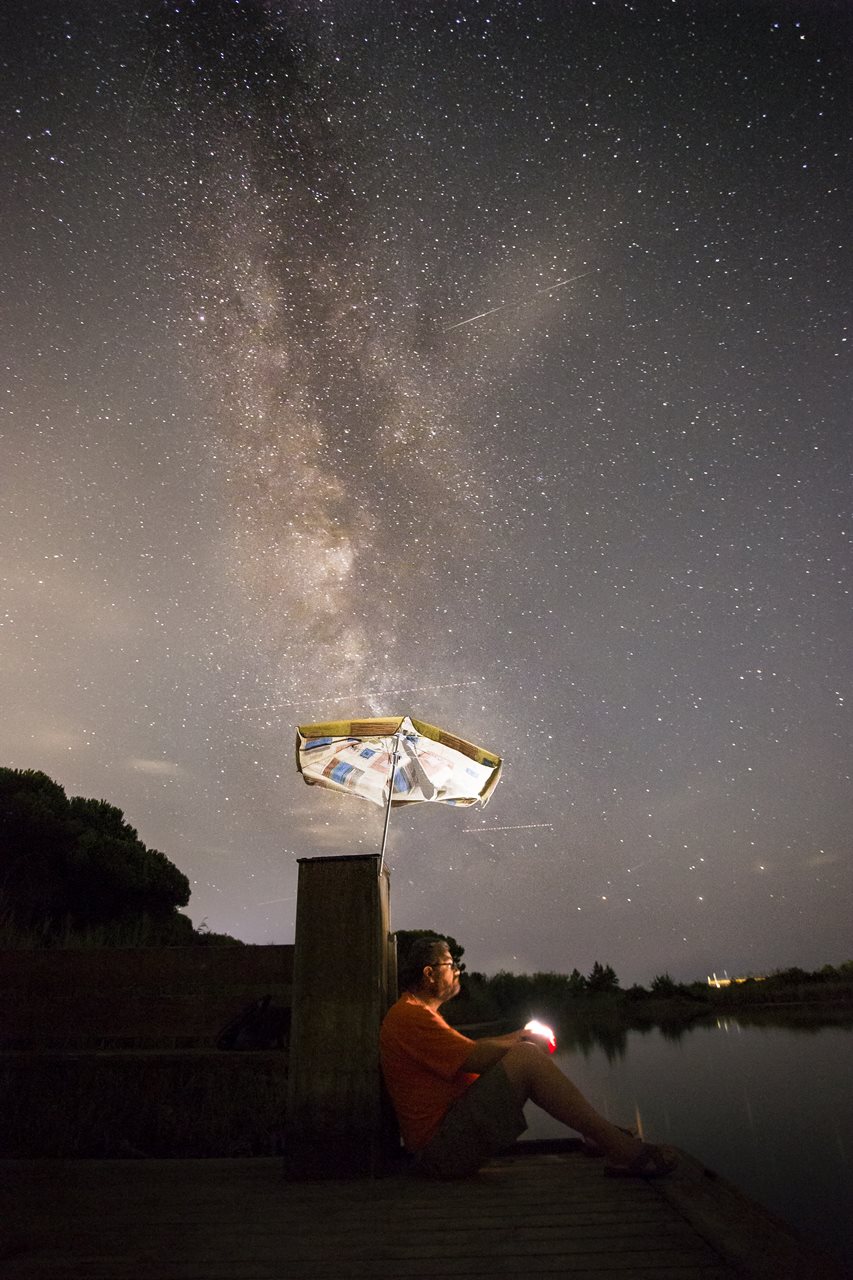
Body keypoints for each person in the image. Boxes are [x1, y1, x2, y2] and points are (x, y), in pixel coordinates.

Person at [380, 936, 678, 1180]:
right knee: (527, 1060)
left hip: (445, 1143)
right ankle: (621, 1150)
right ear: (429, 974)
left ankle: (604, 1135)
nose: (457, 970)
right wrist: (524, 1043)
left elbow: (471, 1050)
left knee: (525, 1052)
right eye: (450, 964)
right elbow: (475, 1058)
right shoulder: (411, 1016)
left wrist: (522, 1034)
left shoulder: (416, 1014)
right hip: (440, 1154)